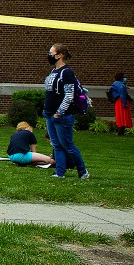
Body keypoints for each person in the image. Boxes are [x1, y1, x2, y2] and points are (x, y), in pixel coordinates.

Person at [43, 43, 89, 180]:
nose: (50, 56)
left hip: (62, 116)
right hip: (50, 114)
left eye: (52, 53)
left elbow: (69, 95)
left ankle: (82, 171)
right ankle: (60, 172)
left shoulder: (66, 72)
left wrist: (59, 113)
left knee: (67, 145)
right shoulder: (53, 72)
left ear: (60, 55)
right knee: (57, 145)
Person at [109, 72, 133, 136]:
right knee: (123, 116)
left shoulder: (115, 84)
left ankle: (120, 131)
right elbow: (122, 95)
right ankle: (120, 131)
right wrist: (124, 104)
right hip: (121, 101)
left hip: (117, 101)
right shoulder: (121, 85)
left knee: (119, 116)